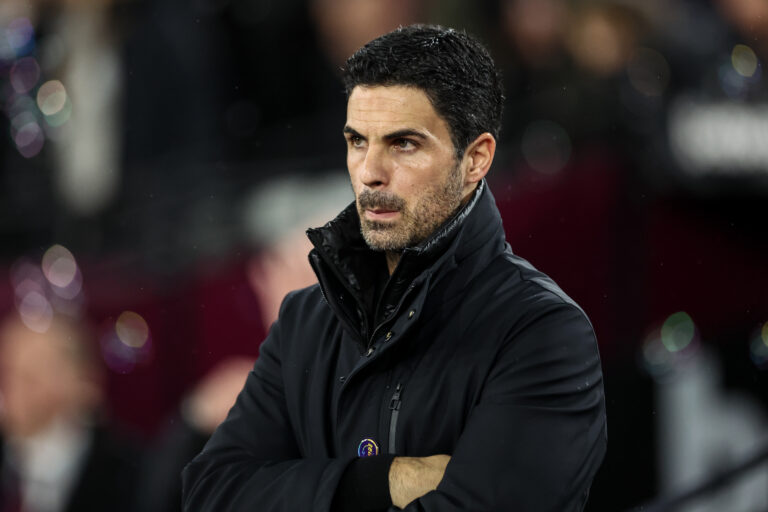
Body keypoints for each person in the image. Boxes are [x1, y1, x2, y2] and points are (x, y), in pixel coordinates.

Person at [182, 24, 606, 511]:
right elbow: (211, 492)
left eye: (404, 144)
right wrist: (387, 479)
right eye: (357, 141)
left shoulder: (543, 332)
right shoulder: (305, 320)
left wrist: (306, 488)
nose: (369, 172)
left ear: (476, 159)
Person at [0, 313, 140, 512]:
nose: (12, 392)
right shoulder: (8, 461)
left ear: (83, 383)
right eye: (7, 375)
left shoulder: (125, 471)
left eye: (29, 378)